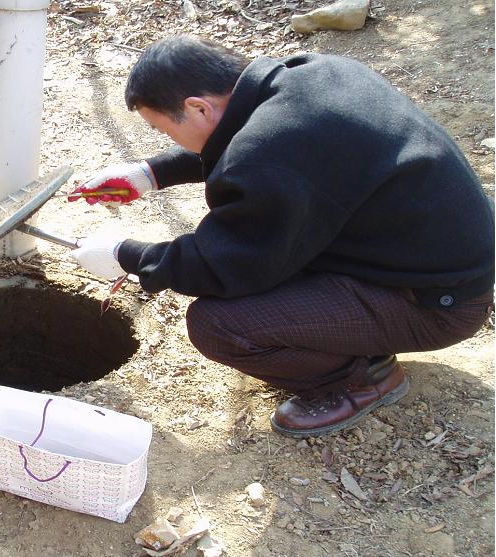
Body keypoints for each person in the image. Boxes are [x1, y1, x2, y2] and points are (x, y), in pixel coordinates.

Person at [66, 35, 494, 438]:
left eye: (163, 130)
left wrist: (126, 255)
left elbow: (223, 264)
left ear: (198, 108)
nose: (166, 138)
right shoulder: (314, 74)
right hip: (436, 265)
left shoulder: (266, 159)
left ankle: (360, 380)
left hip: (434, 305)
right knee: (266, 274)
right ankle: (349, 343)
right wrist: (152, 173)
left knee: (220, 325)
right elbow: (264, 148)